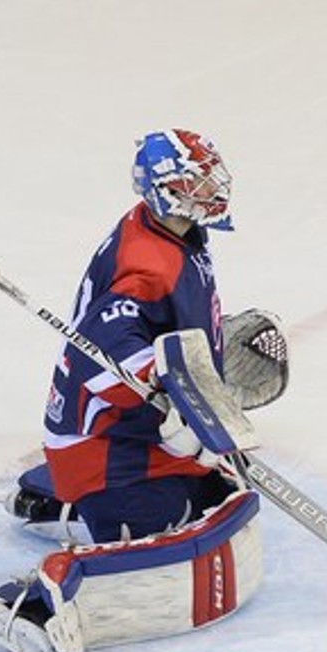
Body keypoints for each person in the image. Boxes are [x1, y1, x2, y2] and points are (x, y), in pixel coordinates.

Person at [22, 127, 241, 544]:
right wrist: (175, 406)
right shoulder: (145, 267)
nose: (211, 189)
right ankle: (66, 506)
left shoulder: (173, 228)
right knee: (176, 518)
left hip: (133, 431)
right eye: (195, 181)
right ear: (164, 191)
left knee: (226, 489)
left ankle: (66, 493)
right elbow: (103, 358)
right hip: (101, 444)